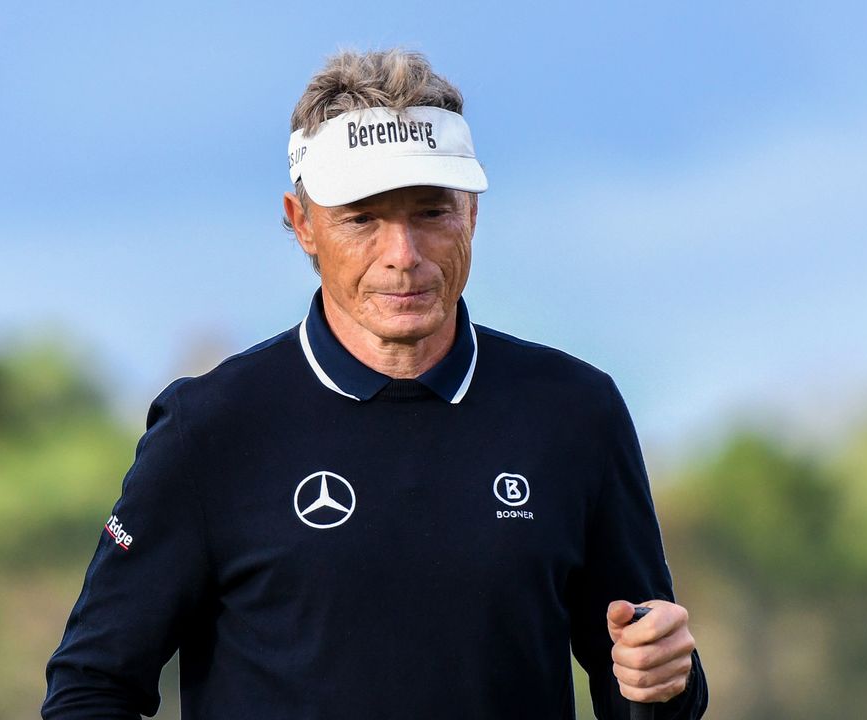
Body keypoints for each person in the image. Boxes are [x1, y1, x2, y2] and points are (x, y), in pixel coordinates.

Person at [43, 49, 707, 720]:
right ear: (302, 223)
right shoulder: (211, 429)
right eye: (362, 219)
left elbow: (645, 682)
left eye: (431, 213)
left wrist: (666, 682)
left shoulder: (575, 414)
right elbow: (90, 688)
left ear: (472, 213)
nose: (403, 256)